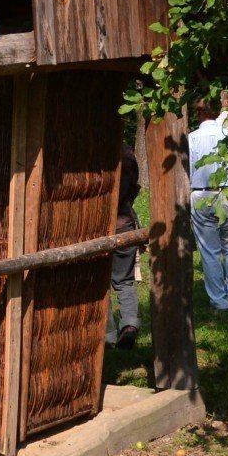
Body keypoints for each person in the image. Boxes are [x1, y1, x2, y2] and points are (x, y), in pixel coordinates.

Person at [187, 101, 228, 312]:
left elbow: (188, 170)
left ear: (197, 114)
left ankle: (219, 300)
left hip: (202, 193)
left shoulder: (191, 139)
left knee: (210, 251)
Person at [105, 141, 142, 348]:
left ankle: (108, 335)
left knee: (101, 285)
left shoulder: (96, 155)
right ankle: (129, 324)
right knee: (124, 281)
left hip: (100, 227)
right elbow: (133, 187)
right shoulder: (127, 153)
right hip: (125, 223)